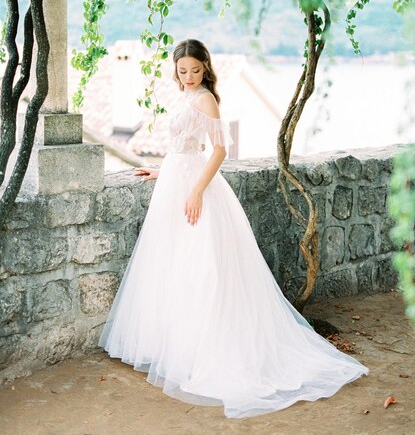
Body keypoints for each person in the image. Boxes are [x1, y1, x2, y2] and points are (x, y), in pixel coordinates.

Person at [98, 38, 368, 419]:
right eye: (182, 71)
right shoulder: (187, 97)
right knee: (174, 268)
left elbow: (220, 150)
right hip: (175, 179)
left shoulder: (206, 97)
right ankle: (176, 349)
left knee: (203, 268)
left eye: (194, 70)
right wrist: (164, 171)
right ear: (175, 71)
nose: (189, 76)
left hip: (196, 187)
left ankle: (209, 353)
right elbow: (183, 146)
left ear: (205, 68)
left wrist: (195, 190)